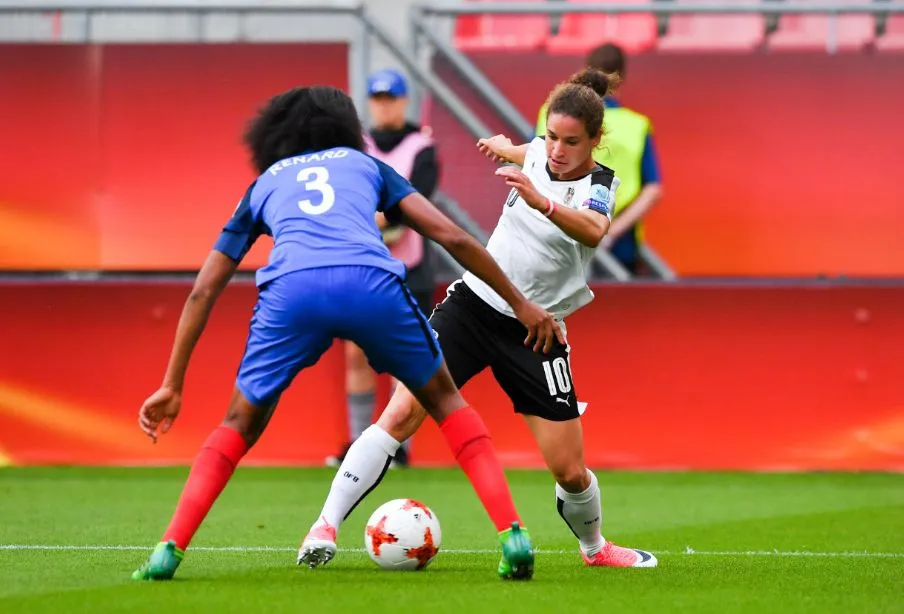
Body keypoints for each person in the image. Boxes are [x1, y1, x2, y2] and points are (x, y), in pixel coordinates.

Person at [130, 85, 564, 581]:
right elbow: (453, 236)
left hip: (292, 293)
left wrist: (171, 383)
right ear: (346, 127)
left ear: (273, 136)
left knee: (239, 422)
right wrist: (521, 302)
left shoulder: (267, 182)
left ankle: (169, 548)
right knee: (445, 401)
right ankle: (513, 534)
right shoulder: (367, 167)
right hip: (369, 284)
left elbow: (203, 291)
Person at [299, 69, 657, 569]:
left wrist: (542, 201)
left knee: (570, 470)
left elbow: (595, 230)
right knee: (400, 414)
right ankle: (324, 526)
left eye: (571, 142)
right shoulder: (538, 151)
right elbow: (525, 151)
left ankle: (595, 549)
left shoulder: (600, 184)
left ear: (595, 140)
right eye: (551, 136)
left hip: (538, 330)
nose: (556, 150)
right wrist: (502, 146)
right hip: (471, 308)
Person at [331, 68, 440, 469]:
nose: (384, 105)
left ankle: (394, 445)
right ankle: (358, 444)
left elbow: (417, 203)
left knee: (401, 357)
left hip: (406, 267)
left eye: (391, 98)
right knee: (356, 355)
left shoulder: (421, 146)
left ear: (404, 101)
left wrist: (375, 217)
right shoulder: (355, 145)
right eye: (377, 98)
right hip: (360, 265)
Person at [536, 43, 663, 274]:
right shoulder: (636, 126)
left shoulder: (552, 112)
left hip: (559, 232)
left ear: (585, 69)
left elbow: (535, 165)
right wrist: (610, 230)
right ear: (622, 77)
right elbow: (652, 189)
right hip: (617, 240)